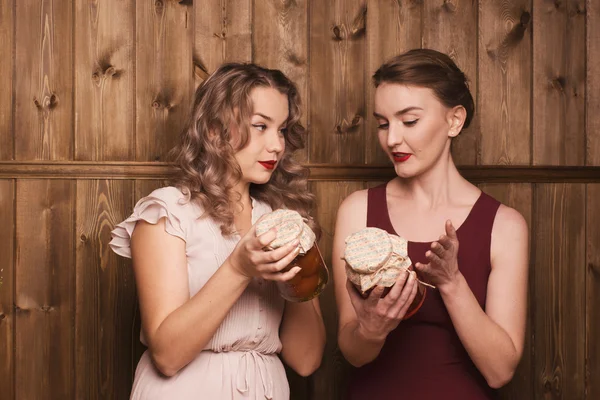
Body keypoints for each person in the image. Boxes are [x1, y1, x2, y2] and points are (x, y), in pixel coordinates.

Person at [110, 62, 326, 399]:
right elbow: (167, 356)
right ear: (213, 131)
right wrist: (239, 268)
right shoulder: (166, 213)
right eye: (260, 126)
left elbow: (306, 360)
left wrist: (295, 276)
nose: (277, 146)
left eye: (282, 129)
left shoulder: (280, 220)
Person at [332, 49, 529, 399]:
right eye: (383, 123)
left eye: (409, 121)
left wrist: (452, 283)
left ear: (454, 121)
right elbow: (352, 354)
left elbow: (500, 372)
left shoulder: (505, 225)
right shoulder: (357, 211)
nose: (392, 139)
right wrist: (372, 331)